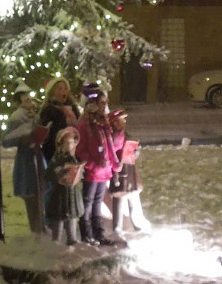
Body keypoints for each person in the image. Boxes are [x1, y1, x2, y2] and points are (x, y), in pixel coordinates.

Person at [75, 89, 122, 246]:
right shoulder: (84, 124)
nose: (104, 106)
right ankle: (86, 234)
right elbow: (80, 150)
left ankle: (98, 233)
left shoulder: (103, 123)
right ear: (92, 105)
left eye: (106, 103)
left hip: (104, 171)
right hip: (92, 172)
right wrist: (93, 164)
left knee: (97, 202)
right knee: (88, 202)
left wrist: (119, 132)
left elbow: (110, 146)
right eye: (101, 103)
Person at [0, 81, 46, 236]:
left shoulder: (34, 114)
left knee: (41, 191)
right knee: (30, 194)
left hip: (37, 156)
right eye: (24, 97)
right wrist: (24, 137)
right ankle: (35, 228)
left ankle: (41, 225)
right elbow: (6, 140)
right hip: (26, 158)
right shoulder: (16, 117)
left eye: (29, 96)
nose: (28, 100)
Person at [107, 108, 151, 235]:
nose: (124, 122)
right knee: (119, 198)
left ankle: (136, 221)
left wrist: (134, 152)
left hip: (129, 169)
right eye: (121, 120)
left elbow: (131, 148)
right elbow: (112, 151)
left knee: (133, 197)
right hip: (119, 171)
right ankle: (117, 226)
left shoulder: (126, 134)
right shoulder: (113, 137)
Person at [46, 126, 84, 246]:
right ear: (61, 144)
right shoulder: (57, 158)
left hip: (72, 192)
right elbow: (49, 174)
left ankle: (71, 239)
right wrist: (60, 173)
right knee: (59, 217)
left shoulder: (73, 158)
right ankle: (56, 241)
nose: (70, 145)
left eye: (72, 143)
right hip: (60, 193)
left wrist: (79, 172)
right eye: (67, 143)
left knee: (72, 216)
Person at [38, 77, 81, 163]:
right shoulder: (49, 110)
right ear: (52, 92)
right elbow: (46, 134)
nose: (63, 91)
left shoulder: (73, 109)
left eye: (65, 89)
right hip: (55, 155)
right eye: (59, 89)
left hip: (73, 152)